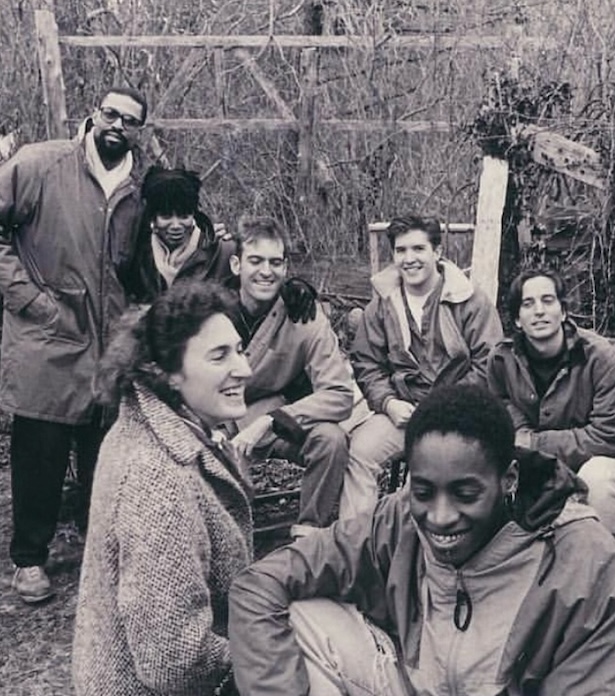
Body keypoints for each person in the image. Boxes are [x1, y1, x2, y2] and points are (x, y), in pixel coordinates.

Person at [229, 384, 615, 696]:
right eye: (424, 490)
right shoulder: (398, 517)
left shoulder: (586, 563)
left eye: (465, 493)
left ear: (508, 479)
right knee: (305, 615)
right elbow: (259, 586)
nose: (439, 516)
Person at [72, 281, 277, 696]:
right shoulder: (157, 478)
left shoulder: (153, 423)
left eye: (241, 349)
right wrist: (278, 668)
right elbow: (172, 657)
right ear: (168, 373)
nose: (245, 368)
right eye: (220, 356)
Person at [0, 85, 148, 603]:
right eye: (111, 113)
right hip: (48, 333)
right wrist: (29, 298)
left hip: (108, 341)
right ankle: (30, 559)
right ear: (93, 114)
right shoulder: (39, 164)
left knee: (100, 453)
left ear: (138, 132)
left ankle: (98, 553)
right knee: (39, 448)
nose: (117, 125)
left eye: (130, 121)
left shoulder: (137, 187)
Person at [341, 215, 503, 521]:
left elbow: (490, 365)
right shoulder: (382, 304)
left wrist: (443, 406)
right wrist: (389, 403)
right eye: (401, 251)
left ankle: (437, 543)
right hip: (403, 412)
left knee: (443, 470)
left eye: (418, 249)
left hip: (459, 414)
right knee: (360, 452)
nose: (410, 259)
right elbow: (366, 363)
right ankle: (356, 547)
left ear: (437, 252)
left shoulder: (470, 301)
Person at [488, 268, 615, 534]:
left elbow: (613, 436)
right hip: (535, 458)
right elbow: (499, 407)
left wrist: (534, 443)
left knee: (597, 480)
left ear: (563, 312)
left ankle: (608, 566)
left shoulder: (599, 356)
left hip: (610, 457)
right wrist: (520, 434)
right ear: (517, 319)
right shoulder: (502, 359)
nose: (539, 310)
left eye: (548, 301)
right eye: (528, 304)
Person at [226, 215, 353, 530]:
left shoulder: (303, 313)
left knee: (331, 439)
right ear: (235, 264)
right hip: (222, 422)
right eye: (256, 261)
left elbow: (339, 393)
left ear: (285, 268)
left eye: (276, 262)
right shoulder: (212, 311)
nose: (266, 272)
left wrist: (272, 419)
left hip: (278, 424)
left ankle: (308, 538)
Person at [119, 165, 234, 303]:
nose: (176, 226)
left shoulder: (217, 252)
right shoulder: (137, 253)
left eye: (184, 216)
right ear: (152, 217)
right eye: (166, 217)